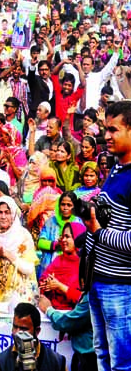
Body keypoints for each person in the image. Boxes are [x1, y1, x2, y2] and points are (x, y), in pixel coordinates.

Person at [84, 100, 131, 371]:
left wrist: (99, 232)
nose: (106, 136)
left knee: (122, 364)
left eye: (113, 130)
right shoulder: (115, 168)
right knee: (103, 357)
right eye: (105, 129)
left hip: (120, 286)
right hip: (99, 281)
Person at [0, 195, 38, 306]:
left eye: (7, 212)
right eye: (0, 212)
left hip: (17, 297)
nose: (3, 216)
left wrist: (7, 254)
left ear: (13, 214)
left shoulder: (23, 236)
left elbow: (29, 269)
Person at [0, 302, 66, 371]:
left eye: (23, 329)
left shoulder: (56, 362)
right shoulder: (1, 361)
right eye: (15, 327)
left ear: (37, 331)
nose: (17, 333)